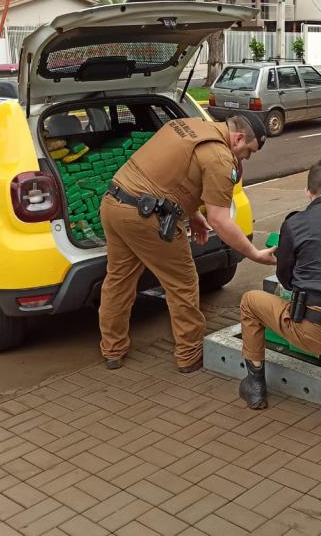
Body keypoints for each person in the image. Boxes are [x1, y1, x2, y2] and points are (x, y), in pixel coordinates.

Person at [99, 114, 277, 372]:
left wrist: (193, 214)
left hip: (113, 204)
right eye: (248, 151)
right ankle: (189, 354)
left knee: (119, 280)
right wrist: (254, 254)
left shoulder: (188, 124)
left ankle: (112, 350)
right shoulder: (219, 158)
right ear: (238, 138)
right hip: (147, 217)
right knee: (182, 283)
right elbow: (220, 220)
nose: (246, 157)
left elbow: (173, 175)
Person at [238, 158, 321, 409]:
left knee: (250, 302)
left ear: (308, 193)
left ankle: (254, 385)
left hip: (312, 330)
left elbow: (287, 281)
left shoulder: (295, 224)